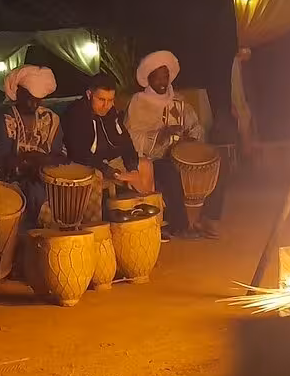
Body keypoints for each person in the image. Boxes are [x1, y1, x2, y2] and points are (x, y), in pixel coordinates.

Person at [125, 50, 222, 239]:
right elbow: (131, 137)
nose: (162, 82)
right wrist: (160, 136)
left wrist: (191, 139)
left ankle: (209, 218)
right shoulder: (138, 103)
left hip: (181, 156)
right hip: (155, 158)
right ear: (148, 79)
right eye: (157, 78)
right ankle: (180, 226)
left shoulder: (179, 101)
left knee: (218, 163)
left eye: (165, 77)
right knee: (170, 172)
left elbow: (195, 127)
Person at [62, 73, 154, 222]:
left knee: (144, 165)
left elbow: (125, 141)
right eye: (101, 100)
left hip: (108, 161)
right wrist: (111, 172)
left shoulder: (111, 112)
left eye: (110, 100)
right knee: (96, 176)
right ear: (89, 94)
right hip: (84, 164)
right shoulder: (76, 114)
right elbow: (79, 154)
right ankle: (96, 229)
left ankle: (146, 222)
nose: (106, 105)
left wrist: (132, 168)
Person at [0, 65, 66, 227]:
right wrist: (27, 161)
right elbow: (0, 159)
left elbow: (60, 155)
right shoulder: (6, 120)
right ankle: (36, 238)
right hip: (17, 179)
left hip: (49, 176)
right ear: (18, 93)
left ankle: (79, 235)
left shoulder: (51, 118)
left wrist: (44, 161)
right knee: (36, 191)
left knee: (88, 182)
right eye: (29, 97)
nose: (33, 103)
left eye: (37, 99)